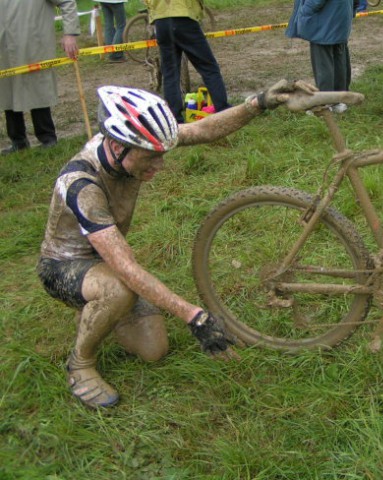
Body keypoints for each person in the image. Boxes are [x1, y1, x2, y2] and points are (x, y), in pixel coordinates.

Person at [36, 79, 363, 409]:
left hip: (105, 262)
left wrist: (260, 102)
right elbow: (127, 268)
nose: (159, 165)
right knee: (120, 288)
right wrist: (194, 316)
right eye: (151, 157)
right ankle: (80, 363)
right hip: (65, 267)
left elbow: (205, 129)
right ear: (119, 147)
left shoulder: (134, 144)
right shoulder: (82, 185)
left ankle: (96, 310)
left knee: (154, 350)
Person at [0, 0, 80, 155]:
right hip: (5, 48)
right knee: (7, 92)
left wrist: (69, 33)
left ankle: (47, 138)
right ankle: (18, 141)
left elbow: (67, 2)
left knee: (38, 89)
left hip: (33, 45)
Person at [146, 0, 231, 123]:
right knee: (209, 67)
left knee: (170, 73)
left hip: (161, 21)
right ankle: (224, 111)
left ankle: (174, 118)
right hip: (184, 18)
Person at [285, 0, 356, 113]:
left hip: (324, 19)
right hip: (341, 14)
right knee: (340, 59)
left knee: (323, 64)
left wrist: (304, 12)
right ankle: (339, 101)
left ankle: (324, 104)